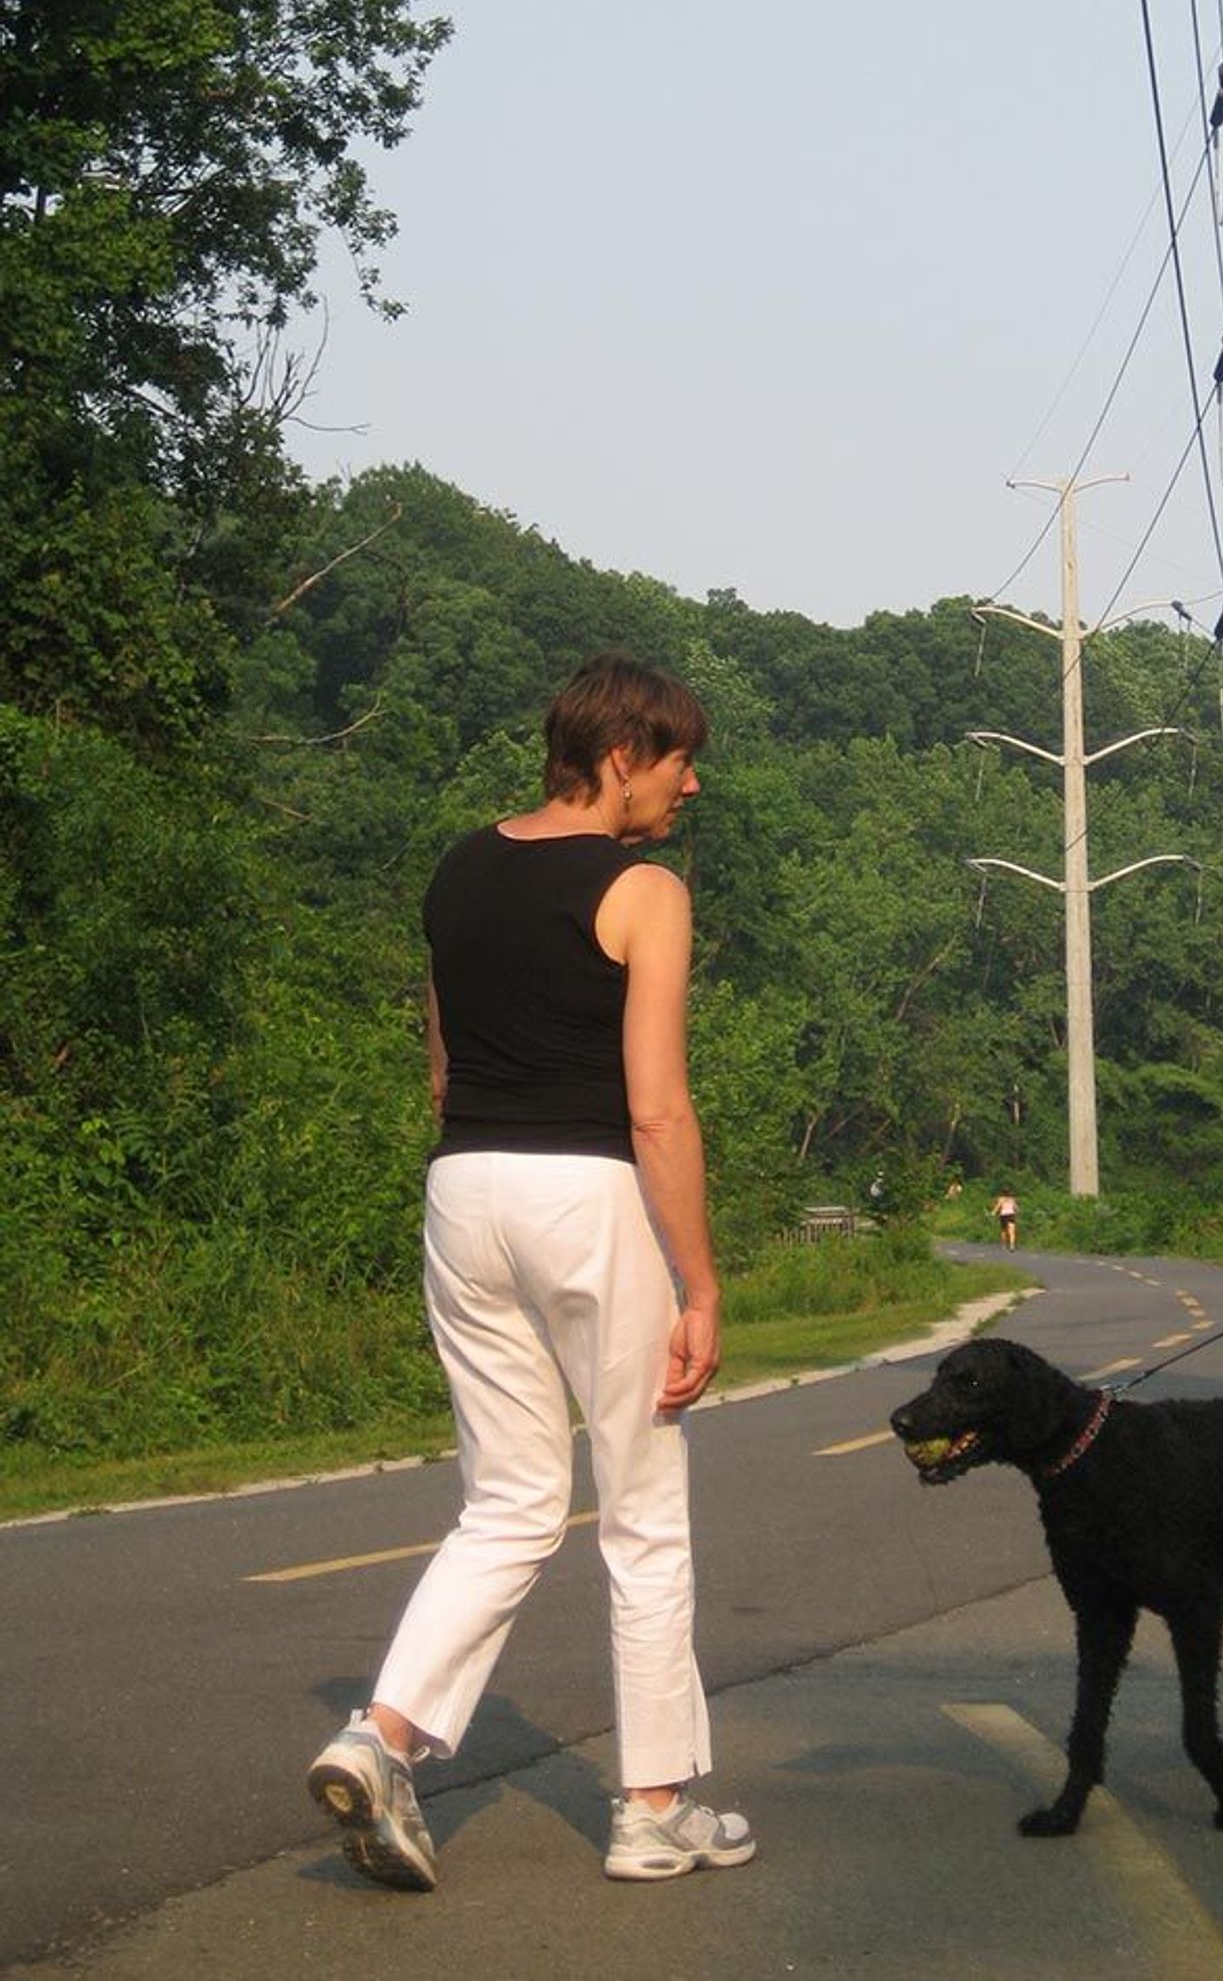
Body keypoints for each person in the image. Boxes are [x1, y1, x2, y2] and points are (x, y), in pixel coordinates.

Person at [307, 654, 753, 1890]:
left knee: (505, 1501)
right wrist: (701, 1283)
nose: (690, 785)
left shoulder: (459, 868)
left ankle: (379, 1733)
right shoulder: (644, 889)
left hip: (463, 1188)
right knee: (642, 1513)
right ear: (622, 759)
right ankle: (654, 1808)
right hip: (586, 1193)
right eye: (678, 763)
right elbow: (657, 1110)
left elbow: (446, 1068)